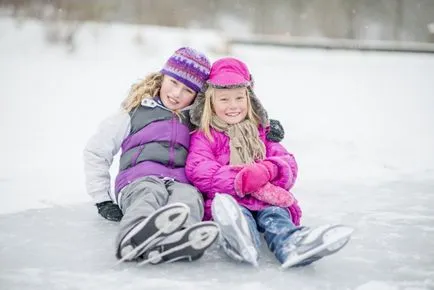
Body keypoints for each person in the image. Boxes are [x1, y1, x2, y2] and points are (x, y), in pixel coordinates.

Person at [185, 57, 353, 269]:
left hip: (266, 199)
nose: (233, 106)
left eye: (239, 98)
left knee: (276, 215)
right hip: (232, 198)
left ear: (249, 99)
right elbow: (198, 169)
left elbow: (287, 161)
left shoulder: (261, 132)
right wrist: (239, 180)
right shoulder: (205, 135)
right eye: (224, 100)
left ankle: (290, 243)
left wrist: (267, 170)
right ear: (210, 102)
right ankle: (241, 240)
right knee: (237, 218)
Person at [83, 47, 220, 264]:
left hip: (179, 182)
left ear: (197, 96)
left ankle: (179, 240)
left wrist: (265, 128)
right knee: (148, 194)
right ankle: (135, 235)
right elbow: (97, 150)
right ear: (163, 77)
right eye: (174, 82)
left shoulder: (196, 120)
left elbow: (232, 125)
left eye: (187, 90)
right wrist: (102, 199)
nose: (176, 94)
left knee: (189, 198)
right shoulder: (135, 112)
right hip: (138, 180)